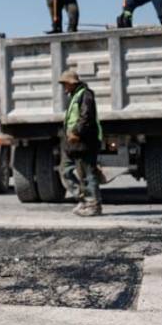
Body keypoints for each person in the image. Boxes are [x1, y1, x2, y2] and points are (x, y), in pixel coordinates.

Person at [59, 70, 102, 216]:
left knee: (88, 174)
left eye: (65, 84)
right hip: (73, 143)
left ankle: (93, 205)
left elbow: (86, 117)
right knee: (65, 171)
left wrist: (76, 132)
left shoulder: (85, 95)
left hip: (84, 142)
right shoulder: (74, 96)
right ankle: (83, 200)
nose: (64, 87)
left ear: (72, 83)